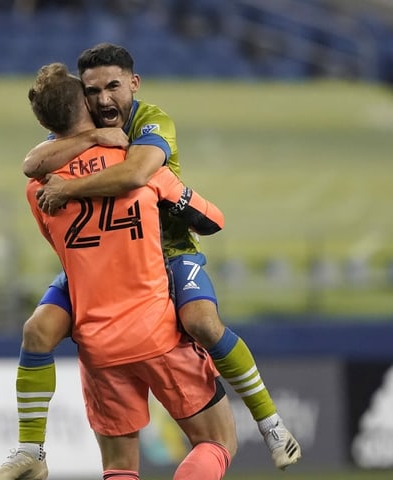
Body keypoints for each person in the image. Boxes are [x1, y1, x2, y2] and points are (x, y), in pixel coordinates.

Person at [0, 43, 300, 480]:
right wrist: (92, 138)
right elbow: (32, 161)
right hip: (112, 264)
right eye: (93, 91)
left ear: (134, 83)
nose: (104, 99)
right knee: (37, 329)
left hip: (169, 250)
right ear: (82, 98)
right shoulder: (84, 134)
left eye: (113, 86)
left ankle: (271, 423)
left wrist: (70, 188)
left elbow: (134, 174)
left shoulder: (151, 121)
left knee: (203, 323)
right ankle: (30, 450)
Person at [23, 61, 238, 480]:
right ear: (84, 103)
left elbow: (58, 240)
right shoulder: (134, 159)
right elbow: (210, 219)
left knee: (120, 467)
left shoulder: (40, 183)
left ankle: (29, 447)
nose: (104, 100)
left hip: (97, 338)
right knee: (217, 441)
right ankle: (271, 420)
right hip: (152, 325)